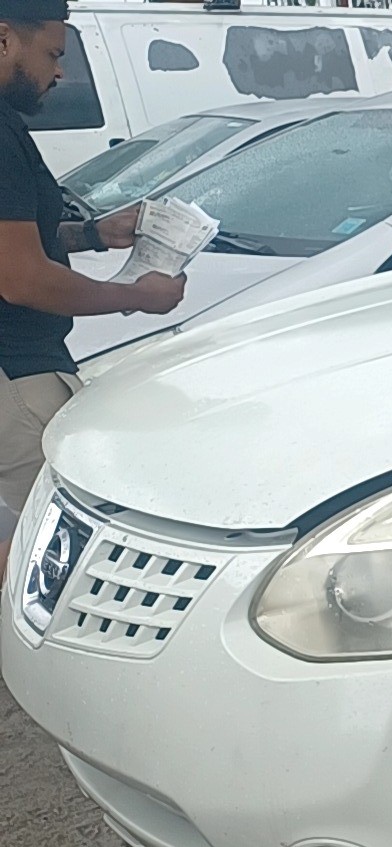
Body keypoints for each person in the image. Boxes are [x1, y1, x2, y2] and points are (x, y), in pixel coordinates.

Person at [0, 0, 184, 524]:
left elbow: (15, 240)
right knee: (62, 546)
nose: (59, 71)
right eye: (54, 54)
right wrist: (139, 297)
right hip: (18, 376)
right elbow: (22, 279)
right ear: (4, 39)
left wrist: (93, 234)